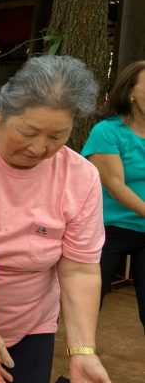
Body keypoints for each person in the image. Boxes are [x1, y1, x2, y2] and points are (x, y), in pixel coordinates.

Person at [0, 55, 120, 383]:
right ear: (0, 114)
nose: (39, 147)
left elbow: (78, 268)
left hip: (30, 319)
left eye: (56, 137)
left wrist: (83, 351)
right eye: (28, 131)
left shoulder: (80, 177)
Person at [82, 60, 145, 333]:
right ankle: (77, 364)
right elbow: (115, 186)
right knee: (87, 302)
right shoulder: (106, 131)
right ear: (130, 92)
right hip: (109, 229)